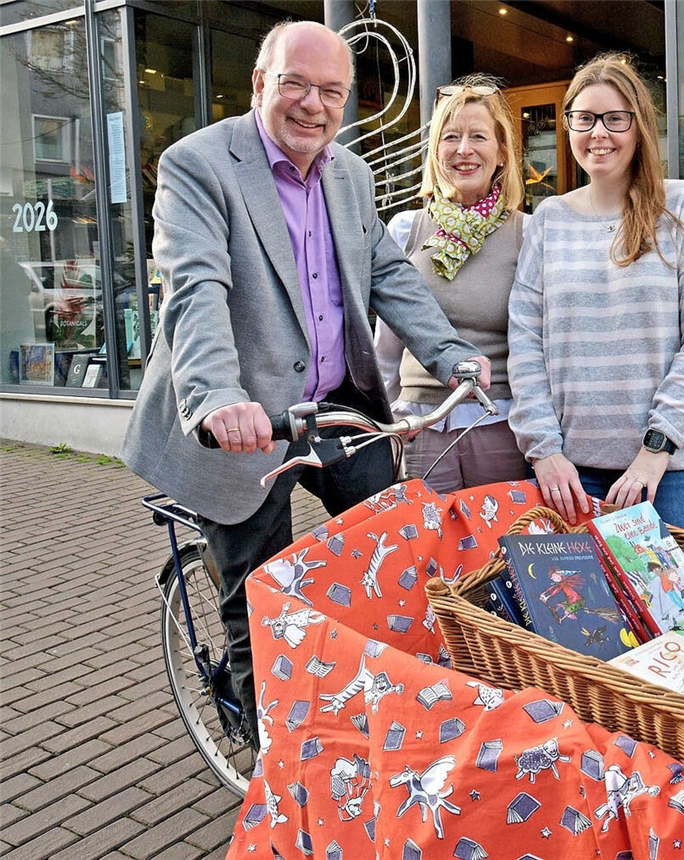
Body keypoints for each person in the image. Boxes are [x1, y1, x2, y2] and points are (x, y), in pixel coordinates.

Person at [120, 21, 491, 745]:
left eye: (331, 91)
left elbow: (386, 273)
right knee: (263, 605)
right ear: (260, 83)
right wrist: (217, 397)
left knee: (395, 551)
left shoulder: (348, 173)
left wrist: (449, 355)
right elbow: (195, 287)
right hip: (245, 422)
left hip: (336, 406)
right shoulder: (199, 165)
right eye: (295, 83)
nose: (312, 104)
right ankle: (275, 767)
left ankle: (380, 703)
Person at [507, 53, 684, 535]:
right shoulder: (549, 219)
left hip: (668, 475)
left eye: (615, 118)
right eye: (584, 118)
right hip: (567, 477)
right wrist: (543, 451)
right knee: (575, 611)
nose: (598, 133)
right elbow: (524, 343)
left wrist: (655, 451)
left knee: (669, 613)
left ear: (640, 126)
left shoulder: (682, 206)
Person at [375, 76, 529, 492]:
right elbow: (387, 346)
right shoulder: (406, 229)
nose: (464, 149)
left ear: (500, 153)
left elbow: (536, 344)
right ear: (436, 151)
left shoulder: (528, 234)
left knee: (497, 547)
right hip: (420, 422)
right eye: (451, 137)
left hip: (498, 421)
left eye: (478, 136)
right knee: (428, 548)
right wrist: (388, 421)